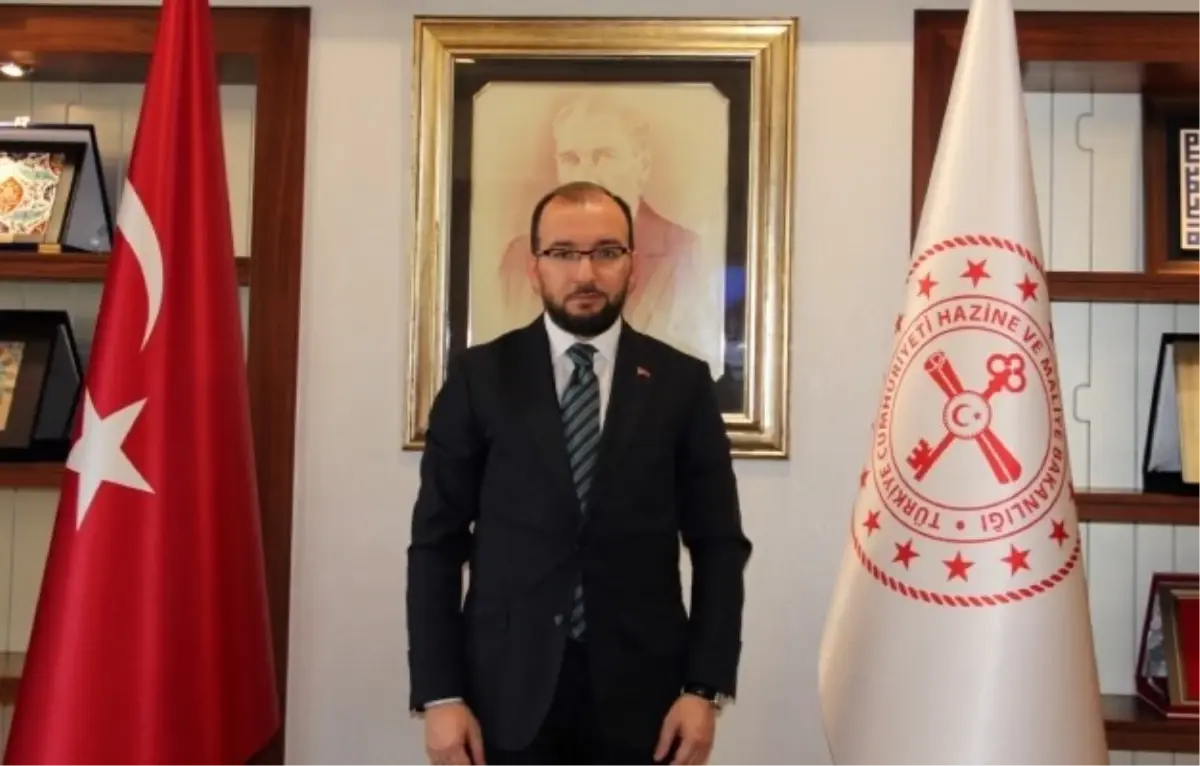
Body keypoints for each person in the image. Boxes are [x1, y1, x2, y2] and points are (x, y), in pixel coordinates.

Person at [406, 180, 751, 766]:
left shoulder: (682, 384)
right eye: (564, 253)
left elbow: (719, 545)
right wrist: (440, 695)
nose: (585, 272)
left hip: (646, 700)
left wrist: (703, 688)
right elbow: (435, 545)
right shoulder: (478, 378)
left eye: (606, 252)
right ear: (534, 266)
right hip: (504, 695)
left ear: (632, 265)